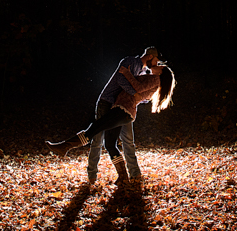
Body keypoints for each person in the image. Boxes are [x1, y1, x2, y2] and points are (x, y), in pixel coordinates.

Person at [46, 61, 176, 184]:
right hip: (123, 111)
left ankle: (65, 147)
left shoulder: (155, 79)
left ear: (162, 70)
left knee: (95, 128)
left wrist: (126, 73)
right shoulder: (154, 80)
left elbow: (138, 87)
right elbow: (140, 89)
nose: (156, 65)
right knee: (110, 144)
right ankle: (123, 175)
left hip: (123, 111)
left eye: (159, 65)